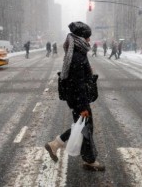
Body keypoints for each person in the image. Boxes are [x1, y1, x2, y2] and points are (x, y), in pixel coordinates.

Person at [45, 21, 105, 171]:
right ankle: (88, 160)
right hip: (78, 99)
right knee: (86, 128)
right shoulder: (77, 56)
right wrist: (84, 106)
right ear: (81, 38)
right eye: (87, 37)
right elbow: (78, 84)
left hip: (75, 98)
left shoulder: (75, 53)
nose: (89, 40)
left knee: (83, 127)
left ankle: (57, 145)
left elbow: (76, 79)